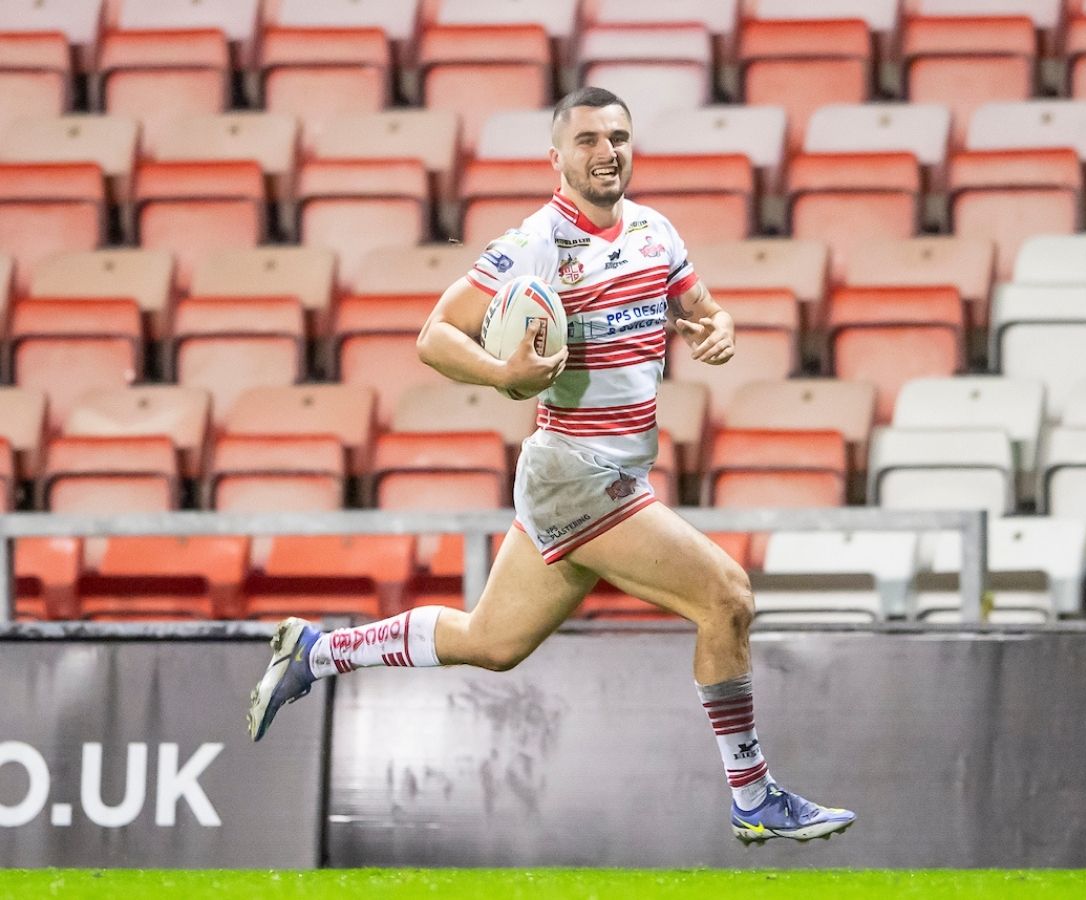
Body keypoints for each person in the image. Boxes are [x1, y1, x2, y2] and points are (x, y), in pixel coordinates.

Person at [248, 87, 856, 845]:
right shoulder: (534, 243)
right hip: (575, 470)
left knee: (491, 643)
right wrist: (502, 373)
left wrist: (717, 329)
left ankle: (316, 652)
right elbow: (435, 335)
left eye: (620, 137)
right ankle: (753, 793)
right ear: (558, 158)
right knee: (725, 596)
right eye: (591, 140)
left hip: (610, 473)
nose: (609, 152)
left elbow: (702, 310)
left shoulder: (655, 233)